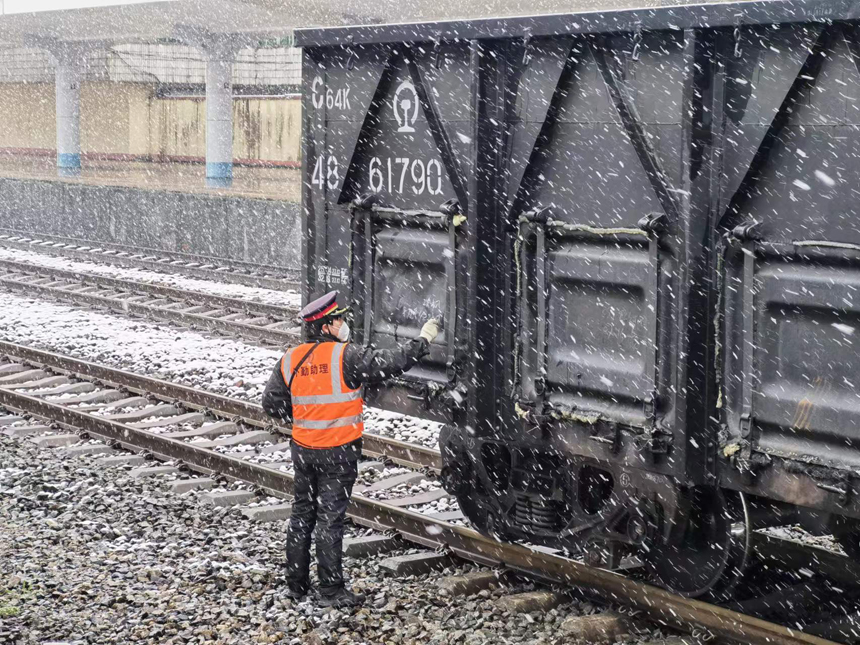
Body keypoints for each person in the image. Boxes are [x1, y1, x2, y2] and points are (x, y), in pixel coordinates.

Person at [261, 290, 440, 608]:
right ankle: (331, 591)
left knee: (303, 514)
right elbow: (393, 362)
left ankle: (296, 586)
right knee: (330, 518)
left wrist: (304, 417)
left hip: (303, 451)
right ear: (327, 326)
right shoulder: (346, 357)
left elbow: (271, 403)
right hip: (337, 453)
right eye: (340, 319)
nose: (344, 324)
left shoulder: (291, 359)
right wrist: (424, 339)